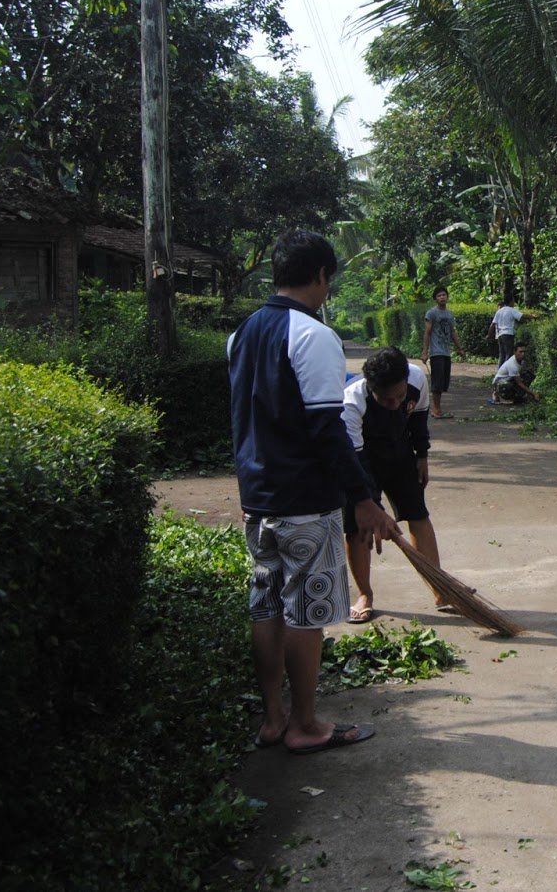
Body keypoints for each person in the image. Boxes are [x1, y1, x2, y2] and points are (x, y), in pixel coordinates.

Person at [228, 230, 399, 755]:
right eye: (329, 280)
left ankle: (273, 720)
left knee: (268, 608)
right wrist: (365, 500)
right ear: (322, 276)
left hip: (258, 501)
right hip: (305, 502)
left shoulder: (241, 334)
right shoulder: (313, 335)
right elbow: (328, 430)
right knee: (306, 613)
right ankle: (305, 724)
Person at [341, 346, 450, 621]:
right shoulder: (351, 402)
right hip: (363, 460)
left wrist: (421, 455)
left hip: (401, 454)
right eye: (386, 400)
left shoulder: (416, 378)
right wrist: (372, 507)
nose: (395, 405)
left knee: (418, 515)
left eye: (400, 397)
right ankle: (365, 593)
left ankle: (440, 588)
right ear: (371, 387)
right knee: (358, 529)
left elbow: (419, 419)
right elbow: (355, 458)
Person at [422, 287, 466, 419]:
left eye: (444, 295)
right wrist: (425, 352)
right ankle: (436, 410)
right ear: (435, 298)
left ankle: (437, 408)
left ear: (447, 297)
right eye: (439, 295)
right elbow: (427, 332)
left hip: (446, 352)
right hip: (436, 352)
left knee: (444, 382)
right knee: (437, 381)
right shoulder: (432, 313)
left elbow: (452, 332)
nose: (442, 297)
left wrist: (460, 348)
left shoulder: (449, 314)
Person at [491, 295, 524, 366]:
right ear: (511, 301)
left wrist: (489, 334)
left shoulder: (499, 311)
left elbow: (493, 324)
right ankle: (506, 372)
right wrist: (533, 316)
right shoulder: (511, 310)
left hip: (500, 335)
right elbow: (522, 316)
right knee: (509, 355)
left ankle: (500, 372)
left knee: (502, 355)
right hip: (508, 334)